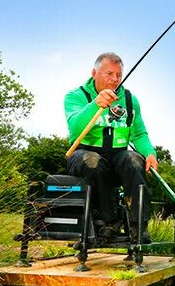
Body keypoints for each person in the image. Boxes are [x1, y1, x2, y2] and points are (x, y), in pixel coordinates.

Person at [64, 52, 159, 243]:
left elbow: (139, 134)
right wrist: (94, 105)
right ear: (94, 73)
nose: (114, 79)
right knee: (93, 161)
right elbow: (75, 128)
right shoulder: (75, 96)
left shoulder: (131, 100)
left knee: (133, 160)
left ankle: (138, 225)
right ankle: (109, 221)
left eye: (118, 75)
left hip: (117, 156)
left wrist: (149, 153)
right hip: (83, 153)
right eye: (109, 74)